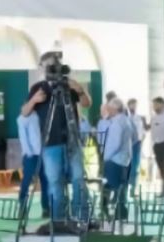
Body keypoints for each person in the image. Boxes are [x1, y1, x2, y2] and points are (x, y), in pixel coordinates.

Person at [20, 59, 92, 223]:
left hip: (73, 139)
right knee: (54, 181)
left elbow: (87, 103)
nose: (55, 69)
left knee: (78, 178)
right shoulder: (38, 88)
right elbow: (24, 113)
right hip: (50, 143)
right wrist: (34, 100)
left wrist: (79, 90)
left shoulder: (70, 85)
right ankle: (58, 220)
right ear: (43, 69)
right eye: (51, 66)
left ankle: (82, 216)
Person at [99, 98, 133, 222]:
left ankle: (105, 208)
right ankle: (120, 211)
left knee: (109, 186)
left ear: (113, 109)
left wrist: (105, 157)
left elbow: (115, 143)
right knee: (121, 186)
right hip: (124, 159)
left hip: (114, 160)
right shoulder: (125, 120)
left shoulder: (117, 123)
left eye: (109, 108)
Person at [126, 98, 147, 192]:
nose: (133, 107)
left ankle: (133, 188)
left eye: (135, 105)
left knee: (135, 166)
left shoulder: (140, 118)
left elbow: (143, 131)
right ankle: (125, 188)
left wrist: (142, 141)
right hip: (127, 144)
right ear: (128, 105)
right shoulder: (125, 117)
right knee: (126, 166)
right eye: (131, 104)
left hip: (137, 144)